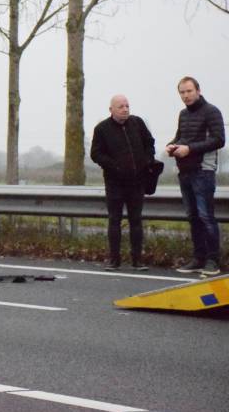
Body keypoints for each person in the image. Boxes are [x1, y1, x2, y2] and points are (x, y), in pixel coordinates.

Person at [166, 77, 225, 276]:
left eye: (189, 91)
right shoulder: (183, 114)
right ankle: (198, 259)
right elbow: (180, 137)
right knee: (192, 217)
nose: (186, 95)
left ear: (198, 90)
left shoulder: (212, 111)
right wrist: (172, 145)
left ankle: (213, 261)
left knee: (206, 216)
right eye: (182, 92)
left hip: (203, 171)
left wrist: (189, 149)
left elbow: (219, 140)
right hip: (185, 170)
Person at [90, 95, 155, 271]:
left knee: (136, 220)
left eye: (127, 106)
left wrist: (148, 160)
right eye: (121, 106)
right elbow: (95, 154)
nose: (125, 109)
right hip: (115, 183)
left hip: (137, 181)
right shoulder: (102, 129)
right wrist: (114, 166)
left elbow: (150, 143)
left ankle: (137, 260)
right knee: (114, 220)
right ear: (111, 109)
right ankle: (114, 260)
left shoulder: (137, 123)